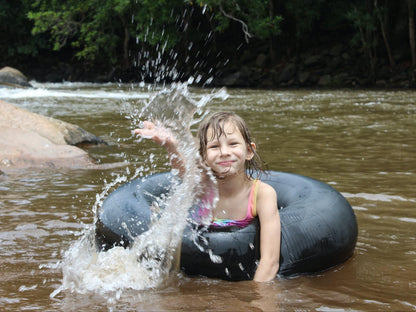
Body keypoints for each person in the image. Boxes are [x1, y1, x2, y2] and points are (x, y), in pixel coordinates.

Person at [134, 112, 281, 282]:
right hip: (195, 274)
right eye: (214, 147)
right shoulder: (203, 186)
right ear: (203, 156)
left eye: (233, 144)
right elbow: (183, 171)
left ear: (249, 151)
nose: (224, 152)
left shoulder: (262, 194)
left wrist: (255, 302)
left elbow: (270, 261)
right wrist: (171, 146)